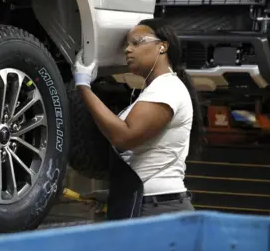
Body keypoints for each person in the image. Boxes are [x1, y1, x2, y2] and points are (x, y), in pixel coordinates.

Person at [72, 18, 204, 219]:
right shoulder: (156, 90)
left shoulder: (167, 88)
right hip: (148, 202)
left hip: (157, 208)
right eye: (127, 44)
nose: (127, 50)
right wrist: (115, 195)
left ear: (162, 46)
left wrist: (83, 87)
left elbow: (125, 136)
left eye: (136, 42)